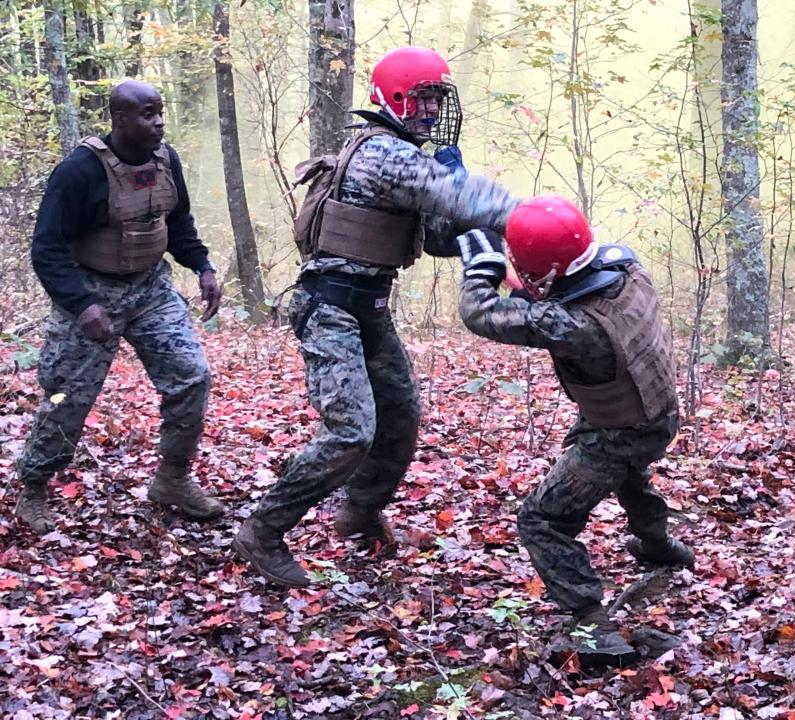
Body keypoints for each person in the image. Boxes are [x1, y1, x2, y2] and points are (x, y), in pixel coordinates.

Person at [232, 46, 519, 588]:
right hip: (330, 306)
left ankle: (359, 514)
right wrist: (530, 215)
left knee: (400, 416)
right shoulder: (384, 154)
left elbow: (435, 238)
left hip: (368, 305)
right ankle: (263, 531)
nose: (431, 112)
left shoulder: (408, 157)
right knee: (350, 432)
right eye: (422, 100)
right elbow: (466, 198)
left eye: (437, 99)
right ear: (394, 99)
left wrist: (467, 227)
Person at [456, 196, 694, 663]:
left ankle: (592, 624)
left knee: (542, 520)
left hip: (617, 428)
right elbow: (555, 290)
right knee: (629, 473)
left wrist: (482, 266)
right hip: (655, 410)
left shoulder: (573, 326)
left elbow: (481, 314)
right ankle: (659, 545)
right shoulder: (625, 266)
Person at [14, 80, 224, 533]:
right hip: (91, 292)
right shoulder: (78, 172)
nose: (159, 122)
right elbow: (46, 249)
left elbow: (178, 221)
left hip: (150, 289)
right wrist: (82, 305)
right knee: (67, 396)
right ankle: (33, 487)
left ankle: (172, 478)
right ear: (120, 119)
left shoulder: (167, 161)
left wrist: (202, 266)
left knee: (191, 376)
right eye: (148, 114)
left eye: (160, 111)